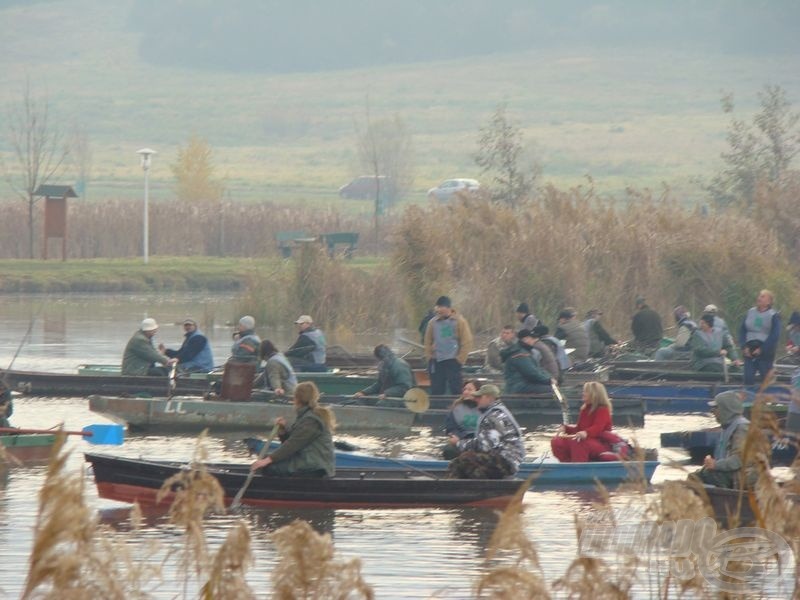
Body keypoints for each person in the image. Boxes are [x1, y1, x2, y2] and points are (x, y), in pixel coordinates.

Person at [250, 381, 335, 478]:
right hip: (309, 462)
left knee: (269, 467)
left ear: (297, 399)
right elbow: (293, 442)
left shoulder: (311, 420)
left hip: (316, 467)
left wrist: (267, 460)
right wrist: (282, 430)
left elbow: (293, 445)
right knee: (267, 461)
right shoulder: (306, 416)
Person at [446, 384, 525, 479]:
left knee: (460, 462)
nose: (476, 400)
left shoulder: (493, 417)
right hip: (509, 460)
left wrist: (459, 443)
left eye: (479, 397)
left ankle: (453, 489)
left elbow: (484, 446)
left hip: (506, 461)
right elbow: (485, 442)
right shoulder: (498, 411)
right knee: (471, 466)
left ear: (489, 398)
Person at [690, 391, 755, 489]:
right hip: (734, 472)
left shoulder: (742, 428)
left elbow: (739, 460)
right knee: (694, 476)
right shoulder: (727, 427)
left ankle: (726, 499)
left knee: (709, 474)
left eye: (716, 408)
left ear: (726, 409)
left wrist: (715, 465)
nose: (712, 411)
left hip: (747, 476)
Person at [551, 382, 617, 462]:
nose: (583, 393)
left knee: (578, 442)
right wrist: (566, 428)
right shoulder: (585, 409)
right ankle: (567, 464)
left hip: (601, 443)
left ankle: (579, 467)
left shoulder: (603, 410)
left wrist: (586, 433)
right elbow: (579, 429)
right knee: (557, 441)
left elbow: (598, 428)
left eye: (586, 391)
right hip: (587, 440)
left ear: (594, 394)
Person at [423, 296, 473, 395]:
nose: (438, 310)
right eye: (437, 308)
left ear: (448, 308)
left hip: (453, 360)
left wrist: (460, 360)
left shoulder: (460, 321)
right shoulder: (432, 323)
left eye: (441, 307)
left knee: (455, 388)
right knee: (436, 388)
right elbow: (427, 342)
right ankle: (438, 407)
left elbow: (467, 342)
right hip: (437, 360)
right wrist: (429, 358)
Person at [739, 289, 782, 385]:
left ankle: (768, 398)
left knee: (766, 380)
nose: (759, 298)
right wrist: (743, 346)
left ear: (769, 302)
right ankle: (749, 397)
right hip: (749, 350)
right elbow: (742, 330)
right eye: (759, 296)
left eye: (762, 296)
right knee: (748, 378)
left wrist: (762, 349)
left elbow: (775, 335)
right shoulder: (750, 312)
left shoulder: (774, 315)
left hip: (765, 352)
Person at [500, 329, 554, 394]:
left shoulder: (524, 352)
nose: (534, 340)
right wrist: (548, 380)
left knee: (549, 388)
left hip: (520, 385)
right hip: (518, 387)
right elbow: (531, 373)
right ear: (525, 339)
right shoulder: (521, 354)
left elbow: (537, 369)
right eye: (532, 338)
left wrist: (549, 378)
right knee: (551, 390)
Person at [441, 380, 481, 459]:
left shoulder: (484, 407)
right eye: (464, 390)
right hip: (461, 440)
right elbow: (451, 428)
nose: (466, 392)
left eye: (469, 390)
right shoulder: (456, 408)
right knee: (448, 450)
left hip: (480, 441)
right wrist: (458, 438)